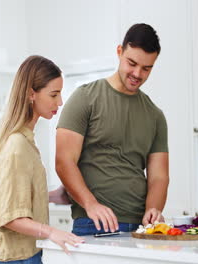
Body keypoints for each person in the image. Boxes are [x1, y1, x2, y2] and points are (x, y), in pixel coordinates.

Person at [55, 23, 169, 236]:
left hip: (140, 227)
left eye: (146, 68)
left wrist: (153, 209)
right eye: (132, 63)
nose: (137, 73)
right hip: (92, 223)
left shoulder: (155, 115)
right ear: (119, 52)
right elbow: (64, 162)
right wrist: (90, 204)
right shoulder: (85, 98)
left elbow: (159, 177)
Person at [0, 55, 85, 263]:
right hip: (13, 258)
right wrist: (51, 232)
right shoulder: (17, 145)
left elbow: (15, 196)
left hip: (21, 253)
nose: (60, 102)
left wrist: (52, 196)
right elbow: (8, 216)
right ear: (31, 94)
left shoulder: (23, 141)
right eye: (54, 94)